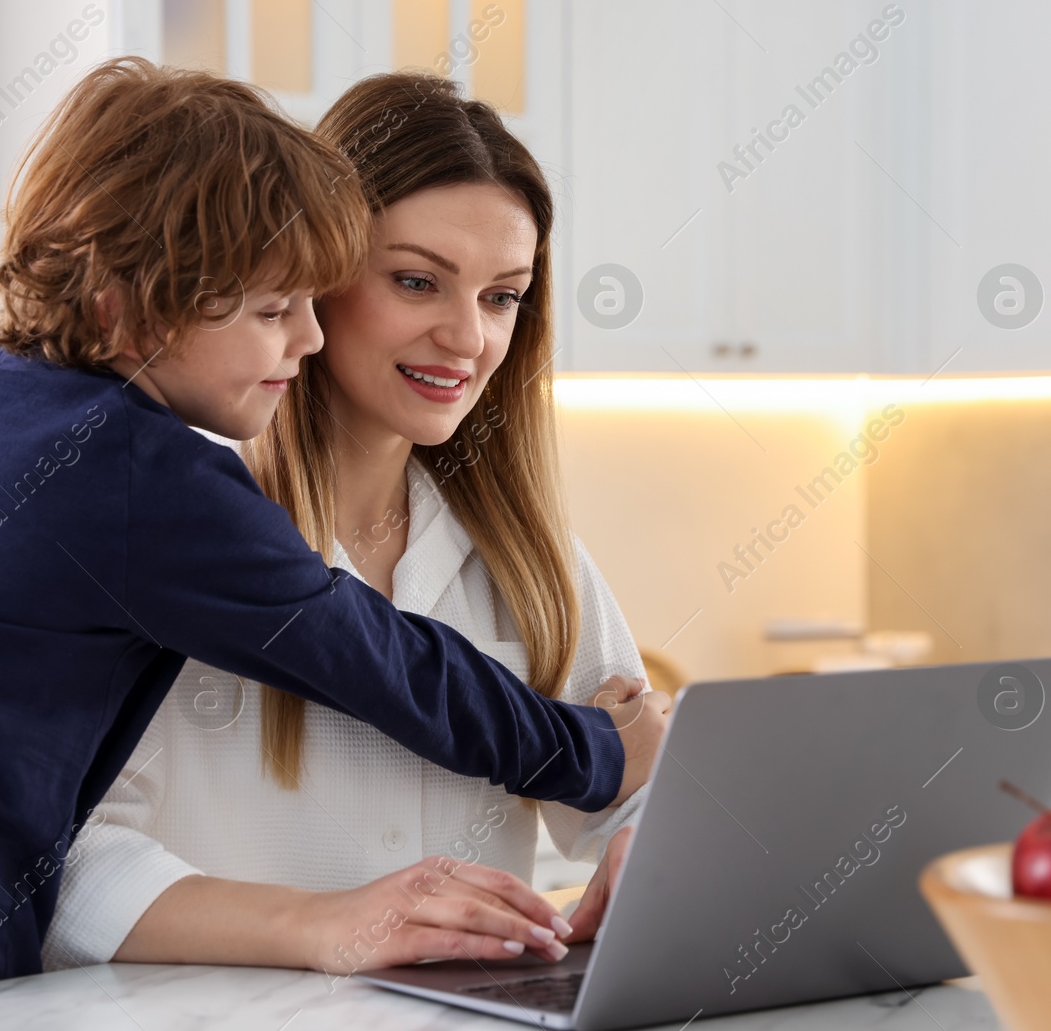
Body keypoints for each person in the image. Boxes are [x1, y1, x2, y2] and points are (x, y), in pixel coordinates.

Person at [0, 58, 668, 1024]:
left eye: (505, 297)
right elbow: (370, 653)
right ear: (133, 301)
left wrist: (649, 814)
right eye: (276, 304)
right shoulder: (140, 483)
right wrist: (595, 748)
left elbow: (667, 801)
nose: (300, 334)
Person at [44, 73, 665, 980]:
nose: (468, 338)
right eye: (418, 281)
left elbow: (635, 786)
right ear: (308, 274)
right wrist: (330, 922)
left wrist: (644, 847)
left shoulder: (533, 564)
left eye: (502, 297)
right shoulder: (161, 543)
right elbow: (63, 865)